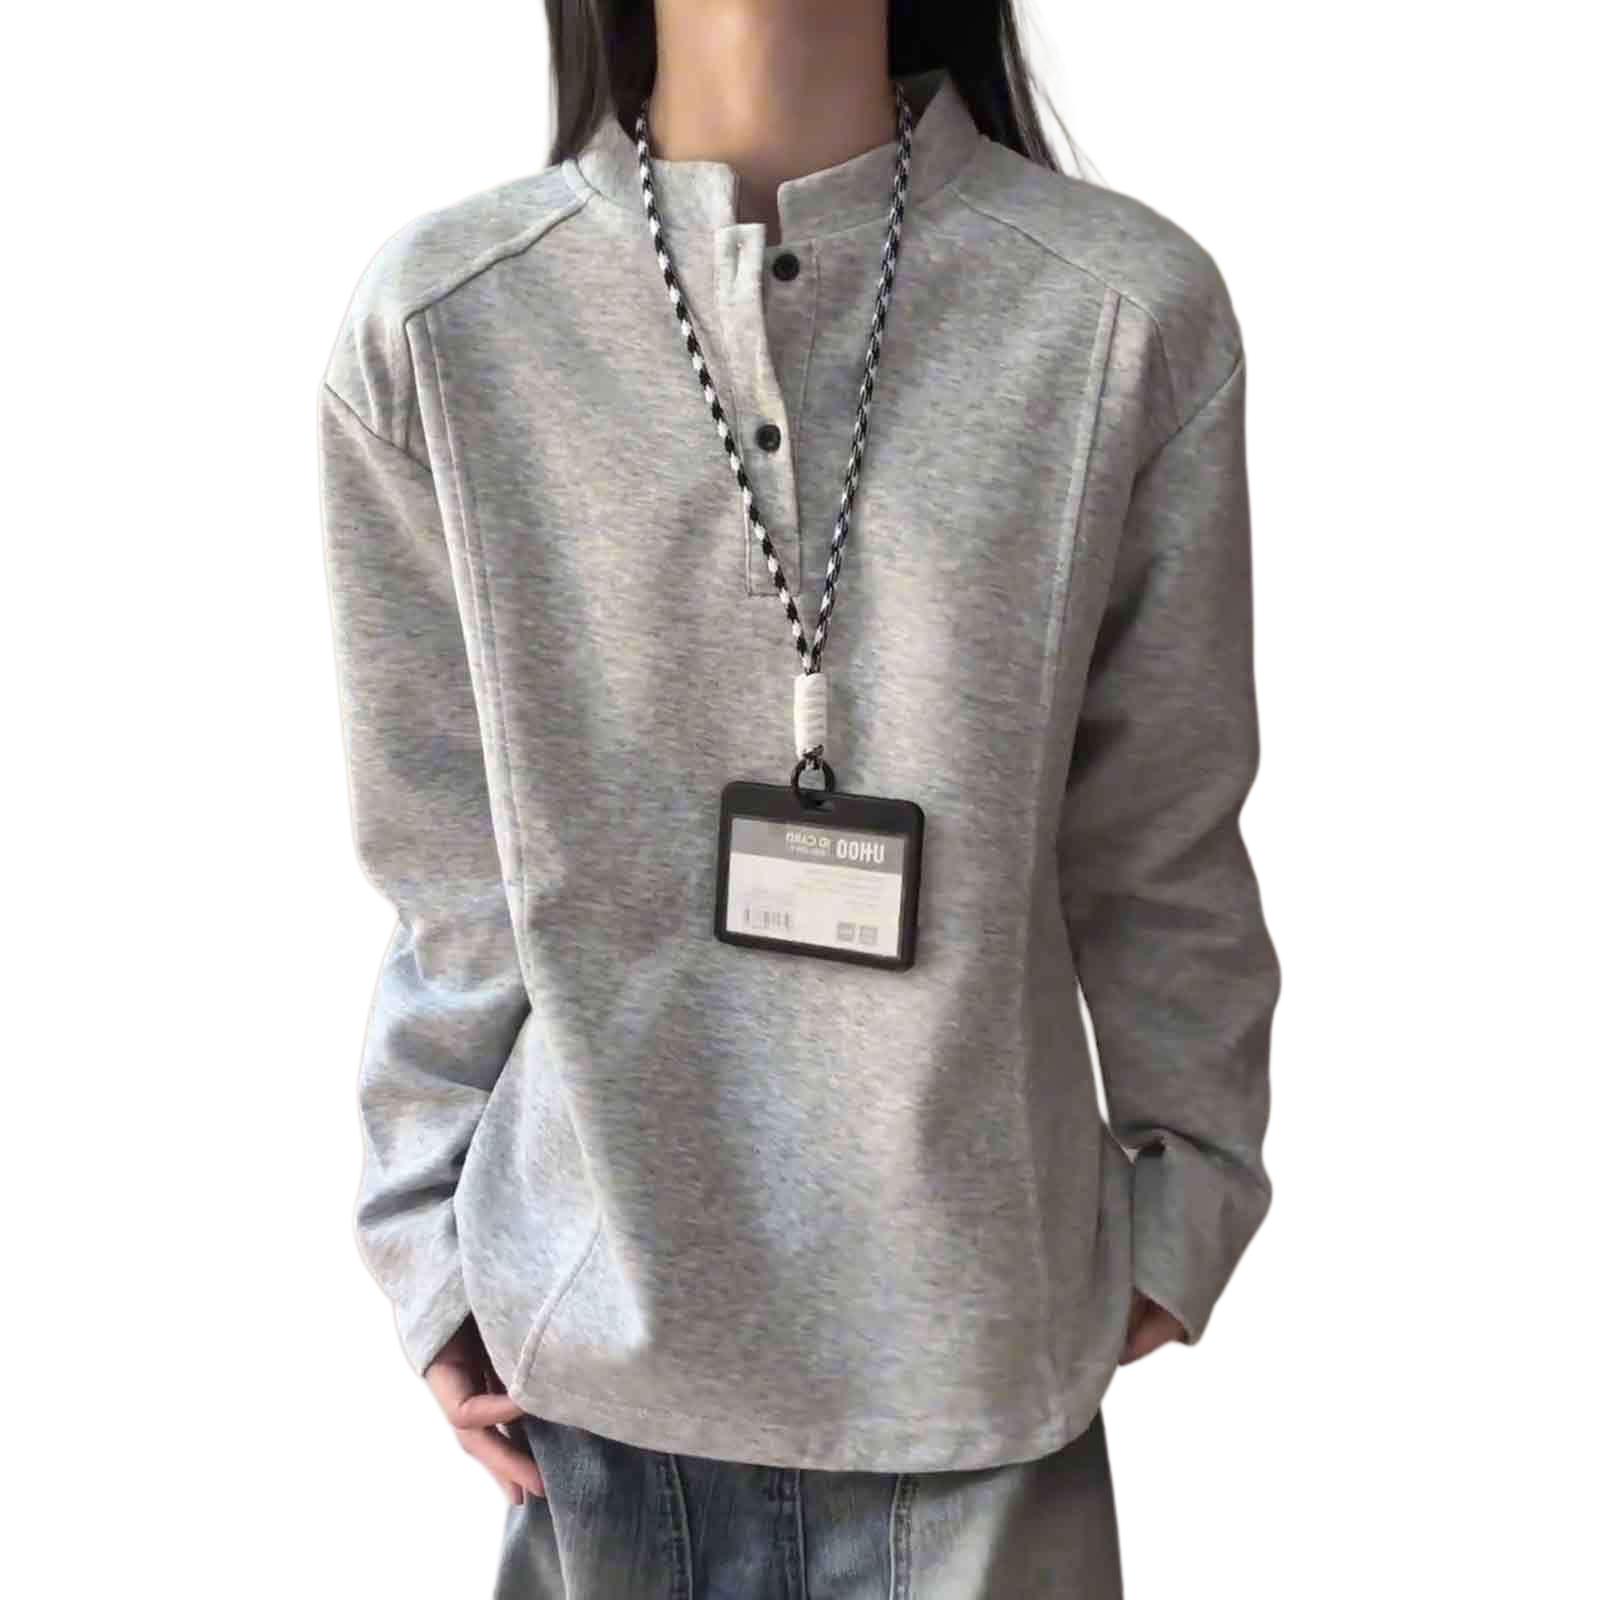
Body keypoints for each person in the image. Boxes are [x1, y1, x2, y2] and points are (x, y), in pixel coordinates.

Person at [316, 1, 1282, 1593]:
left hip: (987, 1388)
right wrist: (423, 1244)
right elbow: (445, 869)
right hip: (588, 1387)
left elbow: (1160, 826)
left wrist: (1191, 1191)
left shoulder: (1119, 313)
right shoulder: (444, 325)